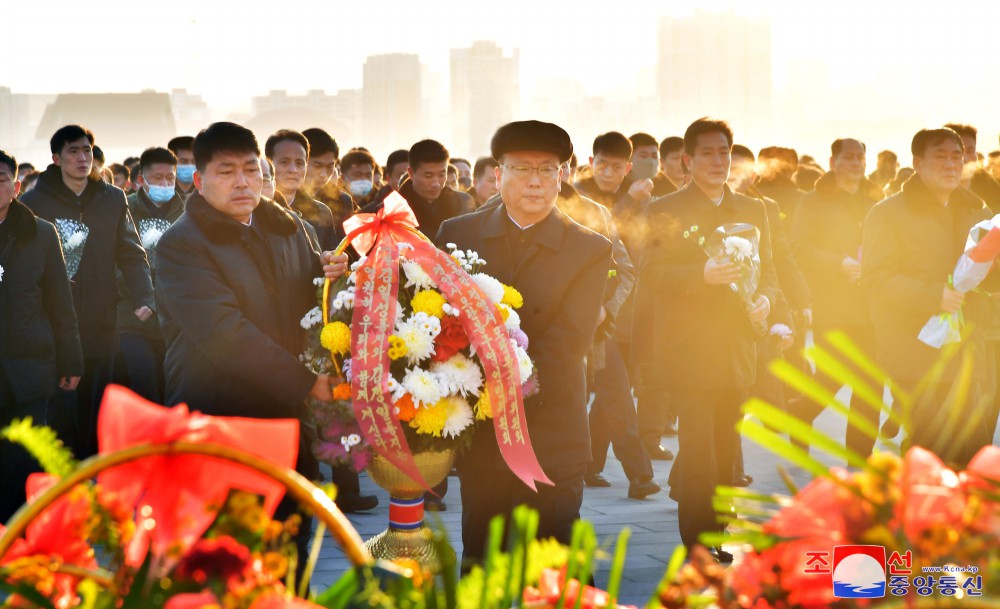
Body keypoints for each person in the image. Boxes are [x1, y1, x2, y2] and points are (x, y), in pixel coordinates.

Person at [154, 122, 356, 562]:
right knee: (228, 555)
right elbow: (224, 332)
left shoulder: (291, 228)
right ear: (199, 181)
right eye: (226, 172)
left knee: (290, 545)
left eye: (250, 169)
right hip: (219, 417)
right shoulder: (180, 245)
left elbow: (308, 302)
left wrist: (331, 277)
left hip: (286, 420)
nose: (242, 182)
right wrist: (306, 382)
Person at [437, 119, 612, 566]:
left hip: (551, 433)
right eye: (521, 169)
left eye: (547, 169)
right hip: (482, 434)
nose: (535, 181)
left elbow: (569, 340)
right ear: (498, 175)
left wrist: (507, 385)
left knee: (554, 567)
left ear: (563, 175)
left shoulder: (587, 248)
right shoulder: (458, 235)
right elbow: (438, 321)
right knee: (483, 558)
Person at [634, 118, 777, 559]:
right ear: (688, 160)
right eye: (708, 154)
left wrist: (767, 302)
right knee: (699, 448)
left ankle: (716, 525)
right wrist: (702, 274)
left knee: (726, 444)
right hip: (689, 347)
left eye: (724, 153)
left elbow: (769, 270)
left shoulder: (754, 211)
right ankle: (699, 541)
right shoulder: (665, 208)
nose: (718, 161)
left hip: (737, 345)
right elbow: (652, 272)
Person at [862, 128, 995, 465]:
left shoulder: (974, 212)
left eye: (957, 156)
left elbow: (986, 276)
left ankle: (961, 518)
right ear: (918, 164)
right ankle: (920, 516)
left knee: (972, 447)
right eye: (940, 156)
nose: (951, 164)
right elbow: (877, 279)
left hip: (966, 349)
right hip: (914, 352)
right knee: (930, 450)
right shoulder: (888, 213)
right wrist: (934, 296)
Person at [21, 125, 154, 458]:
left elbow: (131, 251)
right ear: (56, 158)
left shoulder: (111, 198)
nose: (83, 159)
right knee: (60, 412)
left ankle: (96, 479)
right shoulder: (34, 202)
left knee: (98, 408)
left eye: (87, 151)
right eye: (73, 152)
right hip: (52, 322)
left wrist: (145, 296)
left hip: (100, 317)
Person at [576, 132, 674, 460]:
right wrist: (630, 202)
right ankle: (637, 470)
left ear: (628, 167)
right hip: (599, 309)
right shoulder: (577, 197)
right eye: (602, 164)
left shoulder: (648, 194)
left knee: (616, 389)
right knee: (613, 389)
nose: (608, 172)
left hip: (637, 306)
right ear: (591, 163)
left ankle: (592, 462)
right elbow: (602, 238)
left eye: (616, 167)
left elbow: (653, 241)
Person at [0, 149, 83, 522]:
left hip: (27, 368)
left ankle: (19, 541)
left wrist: (71, 360)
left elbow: (60, 303)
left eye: (0, 179)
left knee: (22, 463)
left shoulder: (41, 233)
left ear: (15, 186)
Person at [790, 138, 882, 458]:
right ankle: (800, 412)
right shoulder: (813, 202)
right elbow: (799, 247)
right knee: (835, 373)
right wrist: (837, 264)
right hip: (833, 300)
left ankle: (860, 454)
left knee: (871, 379)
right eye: (849, 157)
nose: (856, 162)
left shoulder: (875, 199)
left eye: (861, 157)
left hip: (872, 302)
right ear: (833, 162)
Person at [116, 147, 185, 405]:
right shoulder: (124, 208)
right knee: (144, 385)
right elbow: (117, 260)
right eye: (158, 179)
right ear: (142, 180)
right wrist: (141, 296)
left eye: (170, 178)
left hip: (175, 316)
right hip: (134, 315)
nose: (165, 184)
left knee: (174, 386)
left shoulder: (186, 211)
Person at [369, 139, 475, 239]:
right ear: (411, 173)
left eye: (441, 175)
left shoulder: (464, 203)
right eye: (428, 176)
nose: (436, 183)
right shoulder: (391, 210)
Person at [265, 129, 337, 250]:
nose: (293, 169)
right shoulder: (253, 210)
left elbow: (331, 258)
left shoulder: (322, 212)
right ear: (268, 163)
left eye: (299, 163)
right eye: (284, 162)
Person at [302, 127, 356, 239]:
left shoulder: (342, 201)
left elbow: (346, 245)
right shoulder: (283, 197)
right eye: (317, 166)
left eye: (330, 166)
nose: (323, 174)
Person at [944, 123, 1000, 212]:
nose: (964, 158)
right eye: (957, 152)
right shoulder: (927, 197)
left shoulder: (994, 194)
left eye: (970, 151)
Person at [630, 132, 677, 198]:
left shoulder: (667, 186)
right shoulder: (617, 183)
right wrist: (631, 197)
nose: (651, 161)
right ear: (629, 158)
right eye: (643, 156)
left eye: (654, 156)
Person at [167, 136, 198, 205]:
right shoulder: (163, 191)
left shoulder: (206, 191)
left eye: (193, 161)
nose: (190, 165)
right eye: (184, 161)